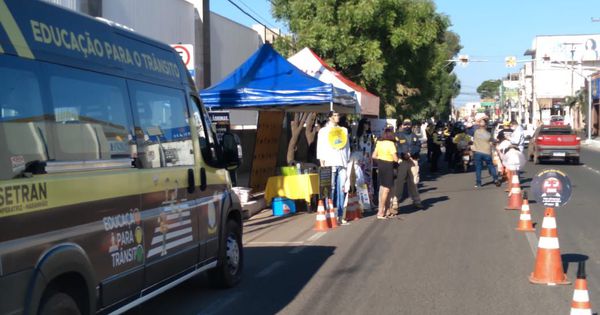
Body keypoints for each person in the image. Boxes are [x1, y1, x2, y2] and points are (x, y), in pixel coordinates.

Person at [317, 111, 350, 222]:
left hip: (342, 163)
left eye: (338, 115)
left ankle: (340, 216)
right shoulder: (323, 131)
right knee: (329, 189)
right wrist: (322, 163)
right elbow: (320, 147)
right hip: (329, 163)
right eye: (335, 115)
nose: (337, 117)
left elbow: (347, 147)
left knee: (341, 190)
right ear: (330, 117)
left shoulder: (344, 130)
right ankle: (329, 214)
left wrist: (347, 161)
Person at [391, 119, 424, 214]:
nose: (407, 126)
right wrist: (402, 154)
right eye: (405, 124)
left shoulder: (414, 136)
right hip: (402, 160)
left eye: (409, 124)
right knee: (399, 182)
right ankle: (395, 203)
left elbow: (418, 146)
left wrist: (410, 153)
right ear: (402, 125)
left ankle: (417, 201)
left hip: (413, 160)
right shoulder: (397, 135)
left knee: (414, 181)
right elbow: (396, 147)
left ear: (411, 125)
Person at [372, 126, 398, 219]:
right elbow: (395, 158)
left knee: (383, 189)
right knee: (387, 190)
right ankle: (381, 212)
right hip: (389, 166)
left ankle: (386, 210)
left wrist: (380, 161)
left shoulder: (379, 142)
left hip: (381, 165)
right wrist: (397, 161)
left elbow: (374, 156)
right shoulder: (391, 144)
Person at [472, 118, 501, 188]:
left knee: (478, 168)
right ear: (486, 126)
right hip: (487, 152)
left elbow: (476, 122)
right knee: (491, 166)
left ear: (479, 125)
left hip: (478, 152)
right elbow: (492, 141)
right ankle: (496, 179)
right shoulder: (488, 134)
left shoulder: (476, 132)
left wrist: (481, 119)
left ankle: (478, 183)